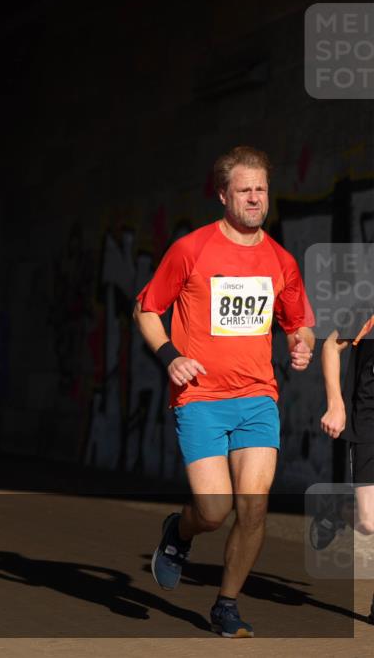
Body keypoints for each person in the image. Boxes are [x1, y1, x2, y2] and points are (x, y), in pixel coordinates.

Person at [135, 146, 315, 638]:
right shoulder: (190, 250)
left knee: (254, 505)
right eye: (244, 190)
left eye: (261, 189)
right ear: (222, 195)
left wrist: (301, 345)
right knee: (214, 511)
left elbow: (299, 324)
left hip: (258, 397)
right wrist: (170, 356)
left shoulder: (280, 260)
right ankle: (180, 531)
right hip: (200, 398)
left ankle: (227, 604)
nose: (255, 198)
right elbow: (146, 310)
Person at [316, 311, 374, 625]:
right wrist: (336, 403)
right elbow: (330, 347)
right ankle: (341, 510)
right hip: (369, 424)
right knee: (368, 522)